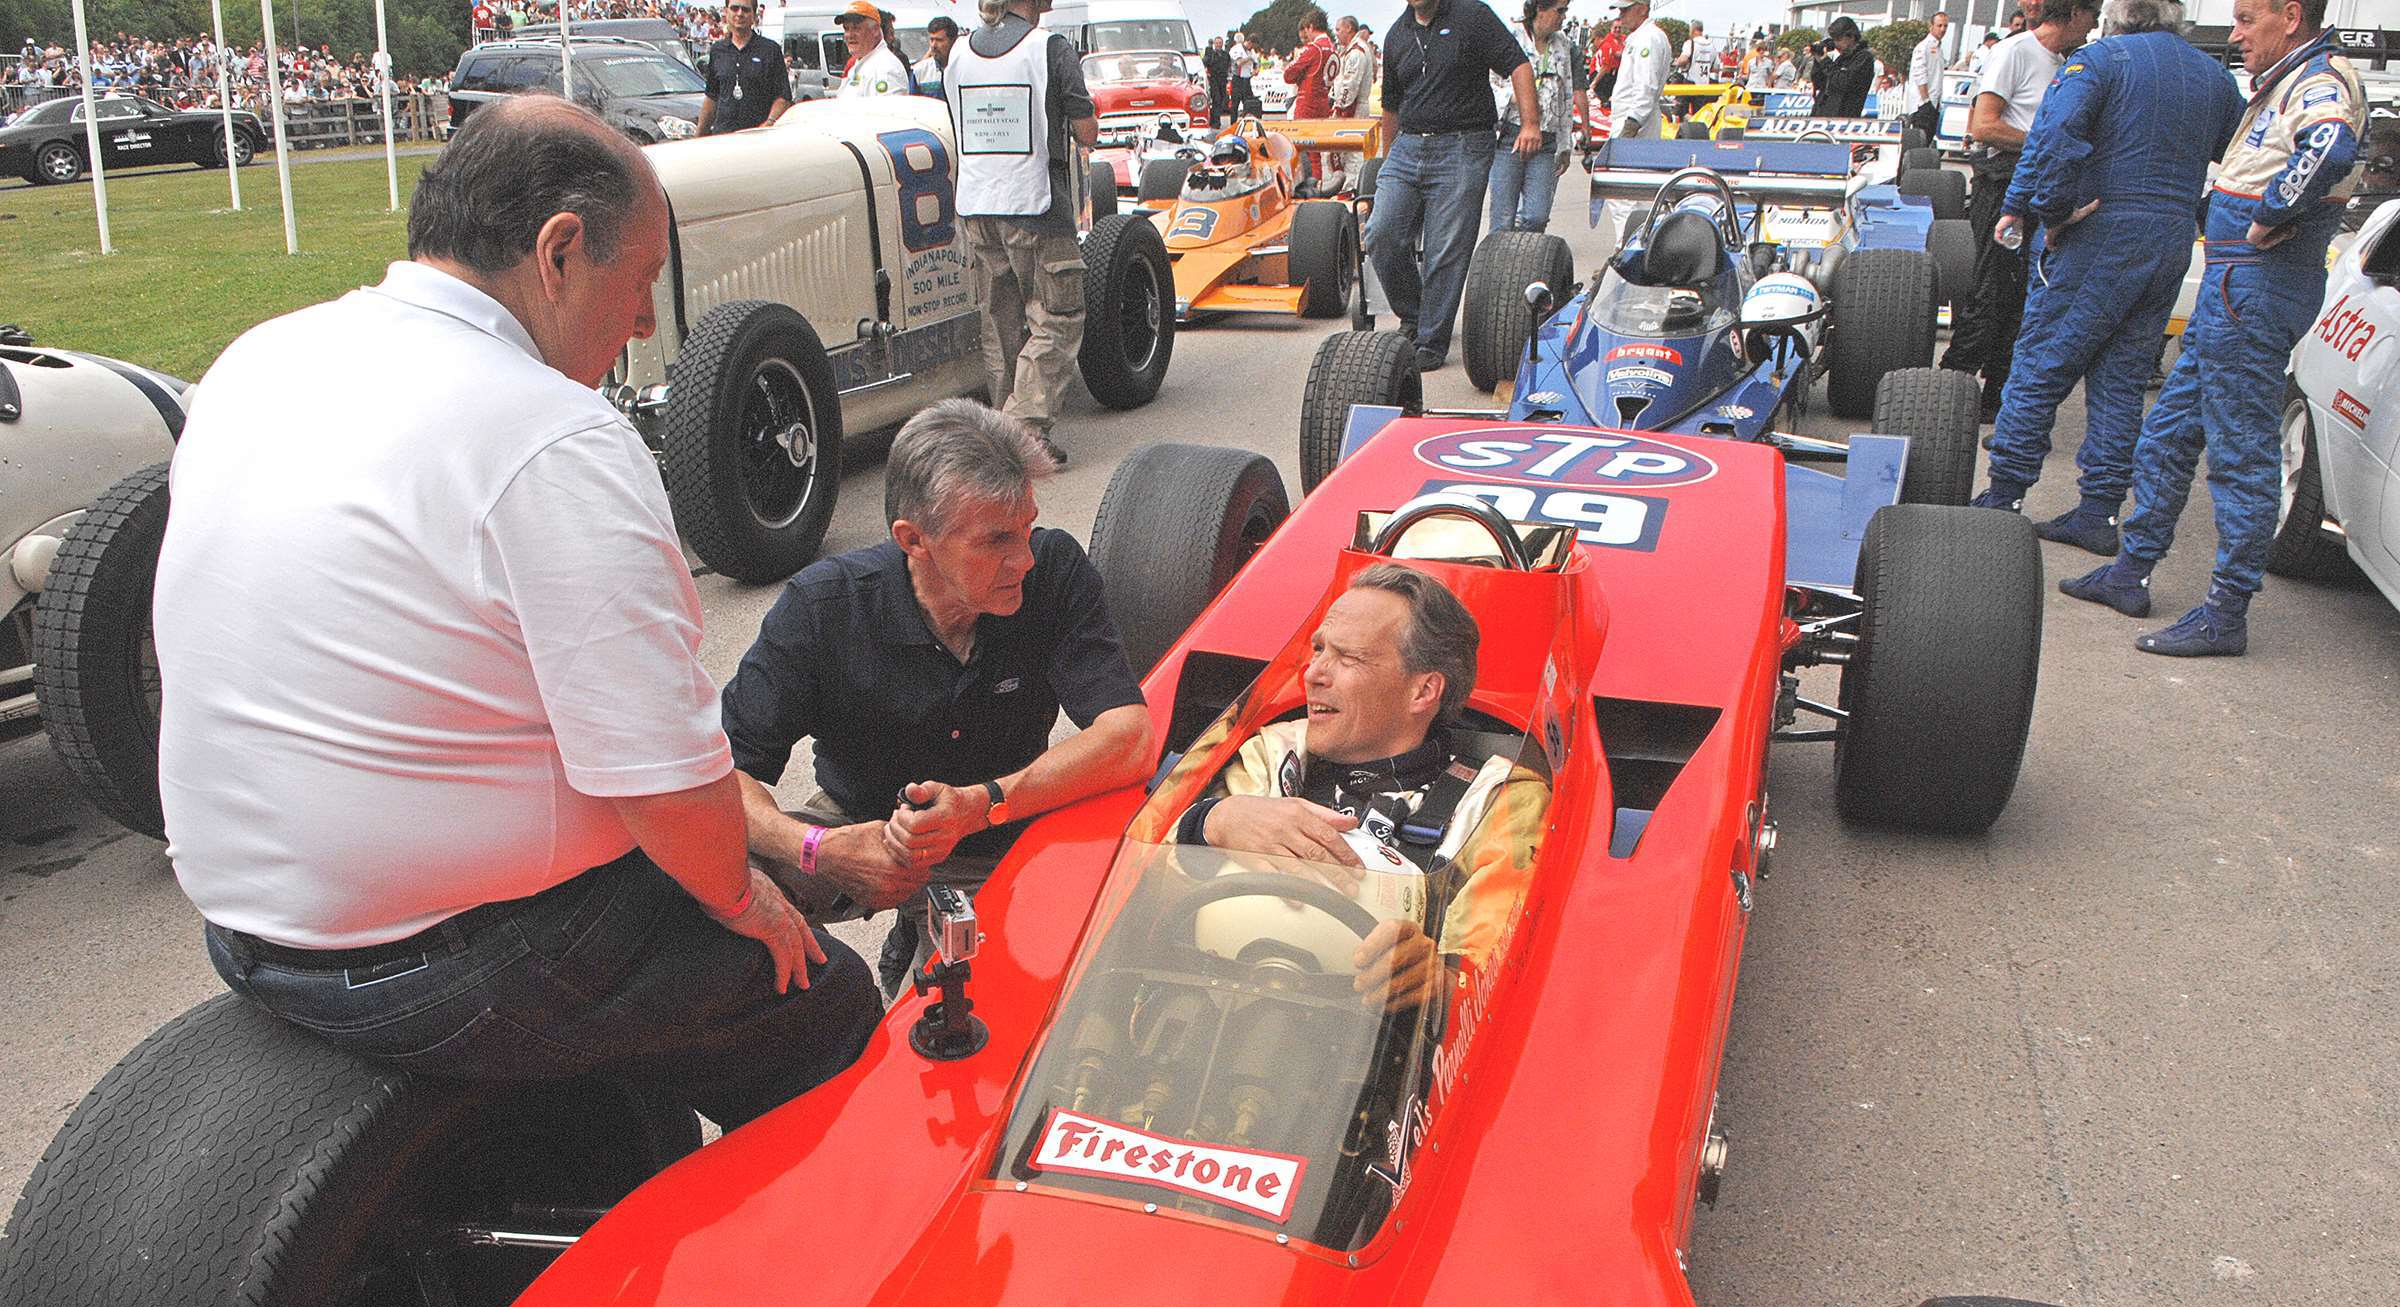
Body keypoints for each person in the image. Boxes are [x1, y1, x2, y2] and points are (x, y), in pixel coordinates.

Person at [153, 99, 878, 1130]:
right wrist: (741, 898)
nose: (643, 322)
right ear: (560, 251)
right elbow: (665, 782)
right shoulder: (552, 435)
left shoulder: (257, 358)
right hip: (448, 958)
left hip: (244, 933)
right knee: (828, 1007)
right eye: (641, 281)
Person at [722, 399, 1152, 994]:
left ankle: (921, 936)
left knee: (999, 1009)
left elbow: (1130, 739)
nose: (1024, 559)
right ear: (914, 540)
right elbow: (720, 778)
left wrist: (980, 805)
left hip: (999, 835)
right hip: (855, 827)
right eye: (996, 540)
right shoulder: (823, 607)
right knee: (707, 889)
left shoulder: (1054, 572)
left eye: (1027, 528)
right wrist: (820, 848)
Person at [2058, 0, 2364, 657]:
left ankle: (2226, 613)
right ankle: (2131, 571)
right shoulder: (2291, 78)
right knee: (2168, 433)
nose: (2236, 34)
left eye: (2247, 19)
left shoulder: (2320, 80)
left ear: (2290, 15)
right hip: (2237, 285)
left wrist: (2274, 211)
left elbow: (2330, 144)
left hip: (2256, 287)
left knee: (2241, 457)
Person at [1173, 566, 1548, 1010]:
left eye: (1348, 658)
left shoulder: (1497, 800)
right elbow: (1134, 885)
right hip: (1210, 1012)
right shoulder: (1271, 754)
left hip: (1381, 1042)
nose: (1313, 674)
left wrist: (1438, 984)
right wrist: (1212, 821)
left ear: (1423, 691)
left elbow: (1495, 983)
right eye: (1318, 649)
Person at [1970, 0, 2241, 549]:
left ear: (2119, 17)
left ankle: (2005, 495)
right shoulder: (2215, 78)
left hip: (2099, 230)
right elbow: (2241, 157)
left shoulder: (2100, 61)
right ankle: (2099, 510)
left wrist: (2046, 210)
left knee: (2041, 363)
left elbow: (2052, 136)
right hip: (2169, 238)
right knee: (2122, 380)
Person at [943, 0, 1096, 466]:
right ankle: (1022, 430)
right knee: (1057, 316)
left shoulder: (958, 52)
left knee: (1001, 323)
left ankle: (1000, 428)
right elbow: (1087, 132)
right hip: (1036, 206)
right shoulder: (1049, 48)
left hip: (977, 206)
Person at [1939, 0, 2099, 418]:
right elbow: (1984, 125)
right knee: (1991, 290)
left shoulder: (2067, 63)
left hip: (2042, 185)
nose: (2096, 23)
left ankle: (1997, 395)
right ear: (2075, 13)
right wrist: (2049, 142)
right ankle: (1949, 388)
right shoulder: (2015, 51)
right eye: (2093, 13)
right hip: (2004, 184)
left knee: (2023, 298)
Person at [1368, 0, 1537, 371]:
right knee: (1381, 234)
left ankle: (1430, 340)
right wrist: (1387, 158)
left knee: (1445, 249)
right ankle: (1414, 315)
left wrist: (1530, 123)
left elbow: (1518, 64)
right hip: (1408, 145)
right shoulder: (1397, 34)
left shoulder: (1472, 16)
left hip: (1463, 144)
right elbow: (1391, 105)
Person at [1488, 0, 1586, 233]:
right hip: (1510, 137)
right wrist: (1516, 97)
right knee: (1503, 219)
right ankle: (1501, 256)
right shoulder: (1509, 37)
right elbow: (1488, 85)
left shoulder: (1564, 44)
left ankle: (1527, 253)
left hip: (1546, 139)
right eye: (1559, 11)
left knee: (1536, 217)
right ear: (1540, 9)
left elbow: (1566, 94)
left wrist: (1564, 145)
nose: (1564, 17)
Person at [695, 0, 788, 134]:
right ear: (726, 12)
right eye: (734, 8)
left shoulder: (770, 50)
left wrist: (768, 124)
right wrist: (698, 135)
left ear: (754, 15)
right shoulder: (717, 50)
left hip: (758, 137)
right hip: (723, 137)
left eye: (745, 10)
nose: (739, 13)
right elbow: (712, 97)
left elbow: (783, 97)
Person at [1609, 0, 1669, 140]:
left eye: (1625, 10)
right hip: (1632, 120)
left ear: (1643, 9)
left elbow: (1645, 87)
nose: (1621, 15)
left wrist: (1630, 128)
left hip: (1636, 126)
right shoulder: (1640, 37)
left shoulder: (1648, 38)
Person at [1329, 14, 1374, 188]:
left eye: (1338, 29)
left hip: (1354, 108)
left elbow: (1350, 85)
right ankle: (1347, 185)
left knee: (1353, 151)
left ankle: (1351, 187)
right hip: (1351, 106)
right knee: (1344, 151)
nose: (1336, 33)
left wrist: (1341, 108)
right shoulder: (1350, 50)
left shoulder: (1356, 52)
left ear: (1349, 28)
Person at [834, 0, 910, 97]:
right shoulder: (861, 64)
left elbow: (889, 107)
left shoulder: (885, 69)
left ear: (875, 30)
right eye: (846, 29)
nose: (849, 35)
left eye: (856, 28)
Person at [1811, 16, 1876, 117]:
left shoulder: (1864, 58)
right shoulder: (1842, 59)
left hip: (1843, 116)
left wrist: (1826, 62)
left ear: (1851, 37)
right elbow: (1819, 83)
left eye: (1839, 39)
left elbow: (1843, 83)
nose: (1836, 44)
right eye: (1834, 40)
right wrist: (1818, 60)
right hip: (1822, 114)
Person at [1285, 10, 1334, 121]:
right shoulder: (1333, 48)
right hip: (1324, 102)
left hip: (1307, 105)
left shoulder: (1314, 48)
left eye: (1306, 30)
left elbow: (1288, 75)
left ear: (1311, 27)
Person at [1905, 8, 1948, 133]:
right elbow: (1920, 75)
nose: (1943, 29)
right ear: (1931, 26)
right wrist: (1926, 101)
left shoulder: (1939, 49)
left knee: (1928, 139)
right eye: (1939, 25)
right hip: (1922, 105)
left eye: (1945, 26)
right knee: (1920, 139)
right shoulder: (1923, 47)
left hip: (1934, 104)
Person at [915, 14, 957, 94]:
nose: (933, 45)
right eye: (931, 40)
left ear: (953, 41)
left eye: (939, 40)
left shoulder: (964, 69)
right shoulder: (920, 71)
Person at [1203, 34, 1231, 127]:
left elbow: (1228, 65)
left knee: (1222, 100)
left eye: (1220, 43)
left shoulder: (1226, 55)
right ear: (1214, 44)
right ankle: (1215, 122)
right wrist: (1209, 49)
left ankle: (1214, 119)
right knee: (1216, 100)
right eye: (1217, 43)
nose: (1218, 45)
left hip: (1222, 80)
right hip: (1214, 80)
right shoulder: (1211, 54)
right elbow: (1205, 62)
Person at [1230, 31, 1258, 118]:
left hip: (1247, 79)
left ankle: (1247, 121)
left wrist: (1256, 70)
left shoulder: (1252, 51)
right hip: (1237, 78)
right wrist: (1248, 58)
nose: (1252, 48)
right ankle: (1233, 122)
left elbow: (1256, 63)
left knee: (1248, 103)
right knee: (1235, 103)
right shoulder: (1237, 49)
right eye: (1252, 46)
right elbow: (1238, 63)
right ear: (1249, 42)